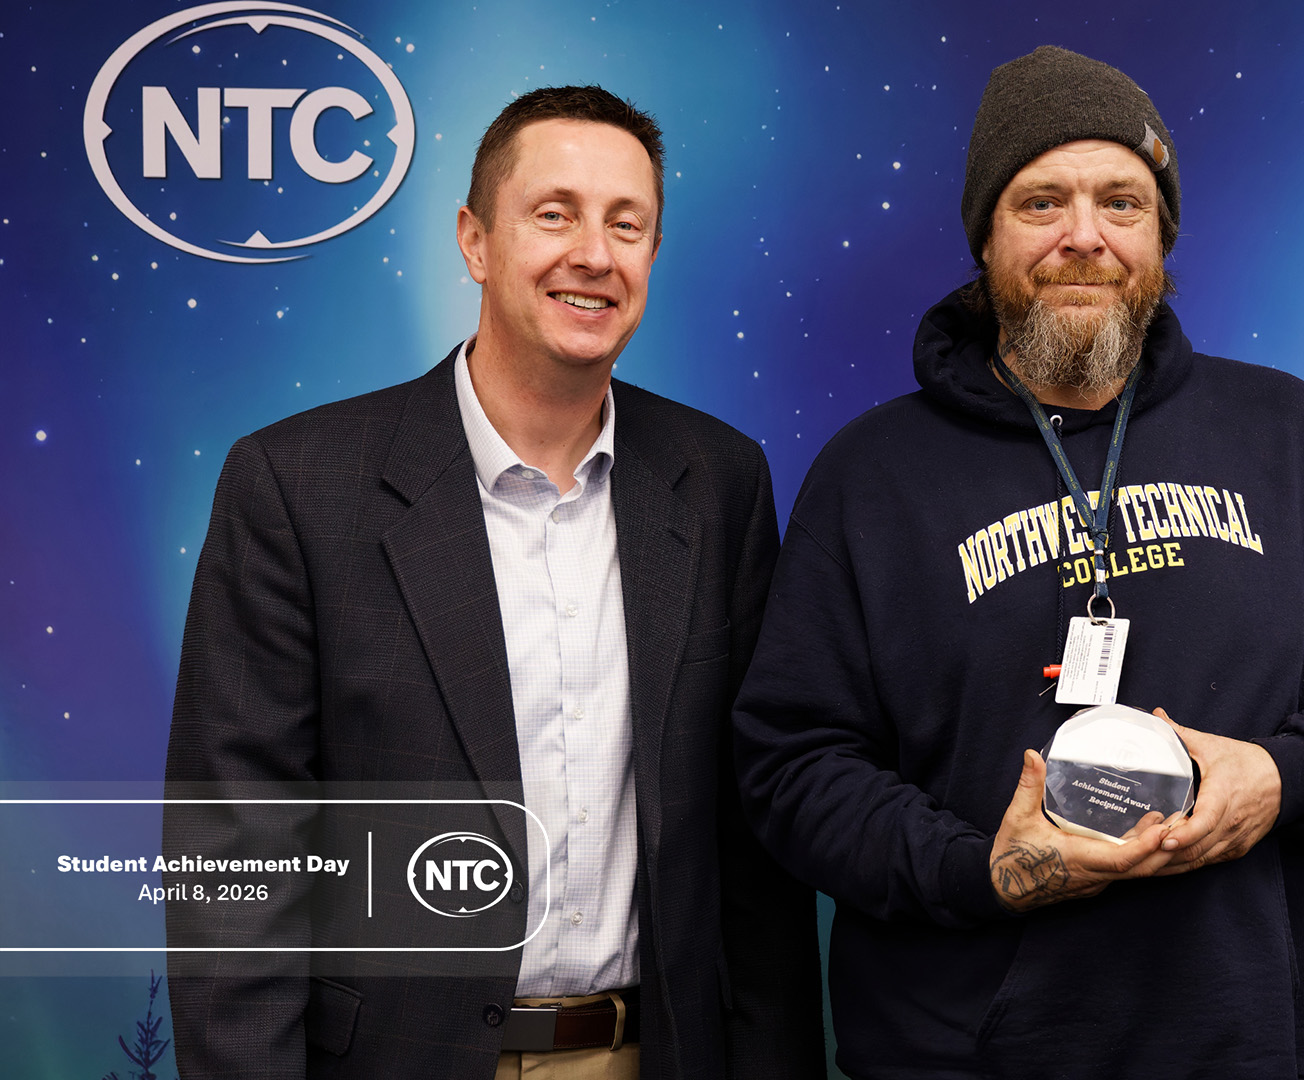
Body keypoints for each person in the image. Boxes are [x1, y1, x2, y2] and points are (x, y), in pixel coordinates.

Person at [732, 46, 1304, 1079]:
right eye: (1041, 202)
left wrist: (1282, 777)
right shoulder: (872, 474)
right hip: (959, 1056)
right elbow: (790, 766)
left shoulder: (1288, 435)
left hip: (1243, 1045)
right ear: (986, 234)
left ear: (1161, 235)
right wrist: (980, 869)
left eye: (1121, 202)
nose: (1085, 237)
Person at [164, 86, 823, 1080]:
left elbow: (752, 858)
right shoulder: (298, 487)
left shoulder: (722, 482)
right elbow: (237, 859)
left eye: (626, 223)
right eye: (553, 213)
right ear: (475, 241)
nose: (593, 254)